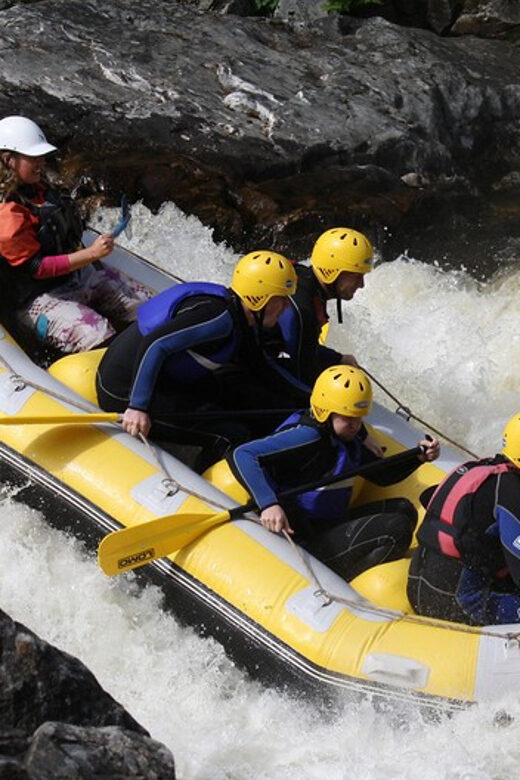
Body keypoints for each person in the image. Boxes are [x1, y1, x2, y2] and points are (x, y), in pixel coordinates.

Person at [96, 250, 311, 469]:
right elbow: (155, 344)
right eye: (282, 299)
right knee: (233, 435)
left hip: (163, 382)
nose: (285, 307)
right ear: (260, 299)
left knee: (239, 396)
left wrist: (312, 398)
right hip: (123, 391)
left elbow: (264, 367)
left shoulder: (242, 318)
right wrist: (137, 406)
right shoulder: (218, 318)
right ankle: (198, 487)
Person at [227, 365, 439, 581]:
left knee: (404, 509)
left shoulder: (347, 437)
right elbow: (242, 454)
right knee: (396, 529)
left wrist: (419, 458)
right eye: (348, 418)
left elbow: (382, 475)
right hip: (301, 538)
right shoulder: (308, 437)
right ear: (326, 411)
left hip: (325, 524)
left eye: (359, 418)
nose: (356, 426)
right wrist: (268, 504)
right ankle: (340, 583)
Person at [0, 115, 151, 354]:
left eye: (41, 156)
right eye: (33, 158)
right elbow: (37, 268)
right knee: (99, 336)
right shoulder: (8, 214)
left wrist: (89, 255)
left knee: (146, 308)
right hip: (36, 297)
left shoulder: (38, 188)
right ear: (9, 160)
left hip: (76, 275)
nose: (41, 162)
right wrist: (91, 254)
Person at [407, 413, 520, 626]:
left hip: (418, 584)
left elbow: (428, 496)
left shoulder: (478, 468)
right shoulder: (512, 493)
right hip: (455, 603)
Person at [277, 227, 374, 387]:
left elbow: (305, 348)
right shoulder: (304, 309)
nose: (362, 285)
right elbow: (305, 374)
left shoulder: (305, 280)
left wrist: (337, 359)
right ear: (333, 272)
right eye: (357, 276)